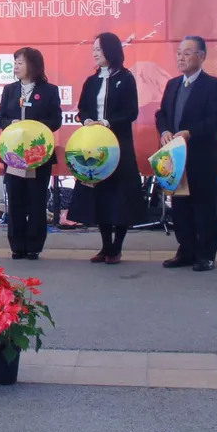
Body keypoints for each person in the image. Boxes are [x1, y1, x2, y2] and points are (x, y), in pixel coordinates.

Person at [69, 32, 141, 265]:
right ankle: (105, 245)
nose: (95, 54)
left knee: (120, 196)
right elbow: (82, 108)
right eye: (94, 50)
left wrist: (108, 122)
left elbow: (131, 112)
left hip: (118, 145)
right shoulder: (92, 80)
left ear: (110, 50)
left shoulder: (126, 78)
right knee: (100, 195)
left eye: (99, 50)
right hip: (95, 146)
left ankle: (117, 246)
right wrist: (87, 120)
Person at [157, 36, 217, 272]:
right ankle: (186, 249)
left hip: (202, 155)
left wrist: (189, 132)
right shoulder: (173, 84)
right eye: (179, 52)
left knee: (204, 205)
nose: (181, 57)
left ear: (202, 56)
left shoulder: (214, 85)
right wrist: (165, 130)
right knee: (180, 205)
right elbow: (162, 114)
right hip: (176, 156)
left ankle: (206, 254)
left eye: (187, 53)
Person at [0, 47, 62, 261]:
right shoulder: (10, 90)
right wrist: (11, 124)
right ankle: (17, 245)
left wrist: (34, 127)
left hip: (38, 154)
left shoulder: (49, 90)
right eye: (15, 62)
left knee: (36, 201)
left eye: (20, 62)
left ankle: (34, 246)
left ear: (33, 65)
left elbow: (56, 121)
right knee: (15, 200)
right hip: (14, 155)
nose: (16, 66)